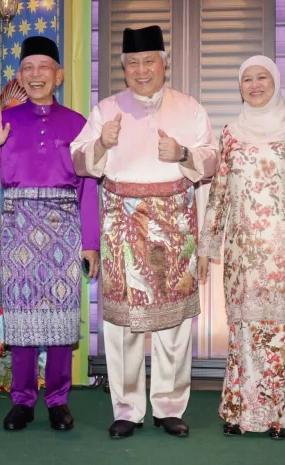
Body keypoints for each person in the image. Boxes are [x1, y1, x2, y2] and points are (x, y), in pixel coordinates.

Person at [70, 25, 218, 439]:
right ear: (123, 67)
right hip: (122, 226)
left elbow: (212, 161)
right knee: (123, 325)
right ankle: (127, 409)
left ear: (163, 62)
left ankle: (169, 407)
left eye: (148, 61)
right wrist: (102, 143)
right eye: (132, 63)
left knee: (174, 325)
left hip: (175, 226)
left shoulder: (189, 108)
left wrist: (182, 153)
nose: (141, 70)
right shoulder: (106, 109)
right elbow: (78, 161)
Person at [0, 36, 100, 432]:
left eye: (44, 67)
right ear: (20, 76)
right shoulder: (4, 120)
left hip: (64, 230)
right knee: (21, 317)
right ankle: (22, 400)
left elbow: (87, 187)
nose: (35, 74)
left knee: (61, 318)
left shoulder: (77, 123)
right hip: (18, 228)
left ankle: (58, 400)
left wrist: (91, 243)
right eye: (28, 68)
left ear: (59, 75)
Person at [197, 56, 285, 439]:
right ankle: (242, 413)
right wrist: (207, 247)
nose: (255, 85)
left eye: (262, 78)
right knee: (245, 331)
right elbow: (219, 193)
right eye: (247, 80)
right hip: (242, 254)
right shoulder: (231, 133)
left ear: (276, 82)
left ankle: (281, 417)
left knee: (284, 331)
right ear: (240, 87)